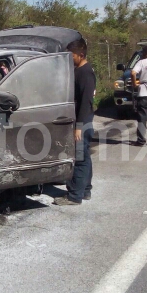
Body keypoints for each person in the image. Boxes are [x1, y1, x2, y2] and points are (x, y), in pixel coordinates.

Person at [54, 38, 96, 206]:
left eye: (71, 56)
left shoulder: (85, 73)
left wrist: (79, 127)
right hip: (81, 121)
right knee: (84, 157)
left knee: (78, 158)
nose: (69, 59)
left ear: (81, 54)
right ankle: (85, 190)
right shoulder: (78, 70)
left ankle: (74, 196)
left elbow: (87, 102)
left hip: (82, 122)